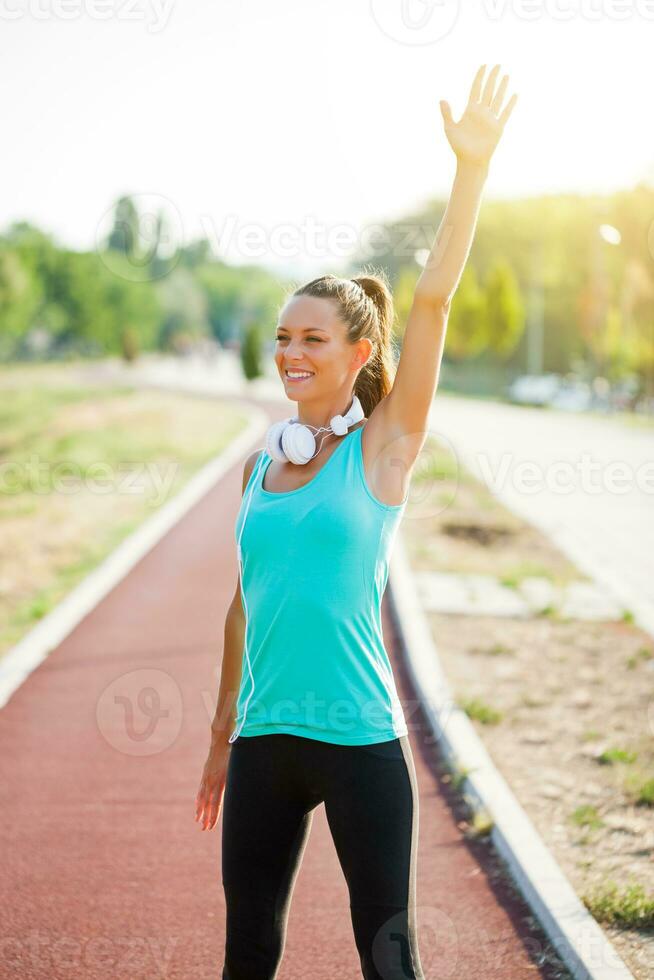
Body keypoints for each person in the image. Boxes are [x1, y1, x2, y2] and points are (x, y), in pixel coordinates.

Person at [195, 63, 517, 980]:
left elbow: (433, 299)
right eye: (284, 338)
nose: (291, 354)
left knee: (389, 962)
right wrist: (219, 740)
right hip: (263, 744)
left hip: (360, 743)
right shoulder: (261, 462)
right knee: (246, 955)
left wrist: (471, 173)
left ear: (357, 352)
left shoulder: (381, 452)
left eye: (313, 339)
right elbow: (243, 603)